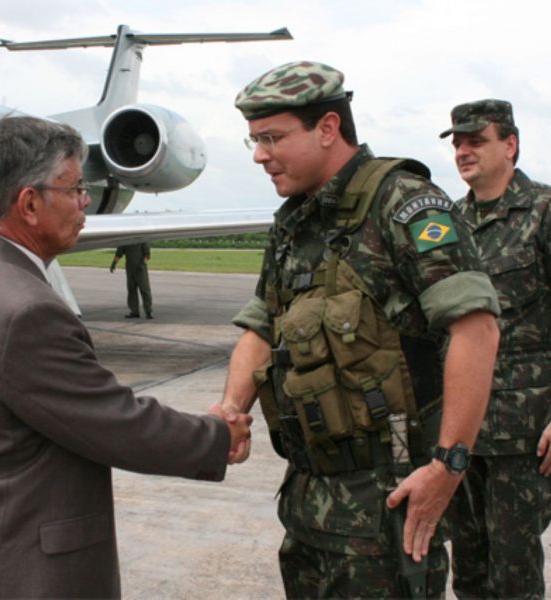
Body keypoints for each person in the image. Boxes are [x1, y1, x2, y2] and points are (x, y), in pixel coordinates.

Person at [215, 61, 501, 598]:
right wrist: (230, 410)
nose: (259, 155)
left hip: (386, 508)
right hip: (308, 503)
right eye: (254, 140)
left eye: (272, 138)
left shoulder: (402, 202)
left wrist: (449, 464)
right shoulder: (294, 220)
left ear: (328, 128)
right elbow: (261, 325)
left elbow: (476, 329)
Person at [0, 115, 252, 599]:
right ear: (29, 204)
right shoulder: (26, 311)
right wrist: (218, 436)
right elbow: (115, 421)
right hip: (29, 571)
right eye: (74, 189)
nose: (85, 201)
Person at [439, 99, 551, 599]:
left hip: (524, 433)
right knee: (468, 570)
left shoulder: (543, 212)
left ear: (510, 144)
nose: (463, 151)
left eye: (476, 141)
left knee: (513, 572)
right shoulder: (447, 222)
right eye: (458, 143)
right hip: (461, 430)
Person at [110, 242, 154, 319]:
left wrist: (143, 263)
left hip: (141, 270)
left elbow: (147, 255)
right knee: (132, 290)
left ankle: (148, 311)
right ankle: (134, 311)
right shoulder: (126, 241)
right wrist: (113, 264)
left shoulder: (142, 240)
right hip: (130, 270)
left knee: (145, 290)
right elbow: (119, 253)